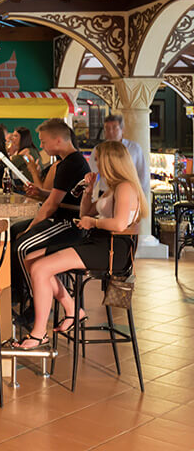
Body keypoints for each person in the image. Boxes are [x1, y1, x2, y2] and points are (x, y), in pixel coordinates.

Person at [13, 140, 148, 349]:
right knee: (31, 259)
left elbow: (120, 224)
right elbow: (85, 213)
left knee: (40, 268)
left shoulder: (125, 187)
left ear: (110, 162)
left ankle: (39, 334)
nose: (96, 165)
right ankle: (73, 309)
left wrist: (93, 223)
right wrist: (88, 190)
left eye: (98, 160)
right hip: (97, 241)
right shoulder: (112, 188)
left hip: (111, 249)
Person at [11, 119, 90, 321]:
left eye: (44, 141)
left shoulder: (70, 164)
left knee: (22, 247)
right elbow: (60, 196)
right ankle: (18, 292)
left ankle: (34, 305)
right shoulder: (68, 162)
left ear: (58, 140)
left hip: (68, 224)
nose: (42, 146)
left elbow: (52, 205)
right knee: (14, 232)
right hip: (62, 219)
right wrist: (41, 192)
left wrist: (31, 228)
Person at [89, 114, 149, 193]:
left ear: (122, 129)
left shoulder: (134, 148)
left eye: (114, 128)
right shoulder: (98, 149)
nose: (110, 131)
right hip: (105, 191)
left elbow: (142, 174)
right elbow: (92, 171)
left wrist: (139, 193)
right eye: (107, 128)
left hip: (128, 192)